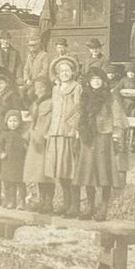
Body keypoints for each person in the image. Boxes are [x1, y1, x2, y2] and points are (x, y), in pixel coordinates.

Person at [75, 68, 125, 220]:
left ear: (103, 81)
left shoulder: (110, 97)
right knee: (88, 172)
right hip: (88, 138)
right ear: (88, 82)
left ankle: (103, 207)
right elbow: (80, 117)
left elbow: (117, 118)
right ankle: (90, 206)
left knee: (104, 173)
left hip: (104, 137)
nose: (96, 82)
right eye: (93, 79)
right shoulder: (84, 97)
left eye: (99, 79)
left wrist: (116, 137)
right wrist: (79, 133)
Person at [44, 56, 83, 216]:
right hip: (56, 132)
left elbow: (78, 110)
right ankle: (66, 204)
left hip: (68, 133)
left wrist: (75, 130)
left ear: (72, 72)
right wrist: (49, 129)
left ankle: (75, 206)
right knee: (60, 171)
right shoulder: (55, 89)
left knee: (70, 170)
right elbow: (53, 110)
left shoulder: (76, 87)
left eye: (67, 70)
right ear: (58, 74)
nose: (64, 73)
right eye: (62, 71)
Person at [23, 77, 54, 212]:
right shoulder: (36, 103)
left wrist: (40, 136)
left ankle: (49, 202)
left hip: (44, 140)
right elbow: (33, 122)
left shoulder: (50, 102)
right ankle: (41, 200)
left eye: (42, 87)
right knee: (38, 174)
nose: (39, 90)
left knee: (47, 173)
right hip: (35, 141)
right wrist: (29, 135)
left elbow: (48, 122)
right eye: (37, 87)